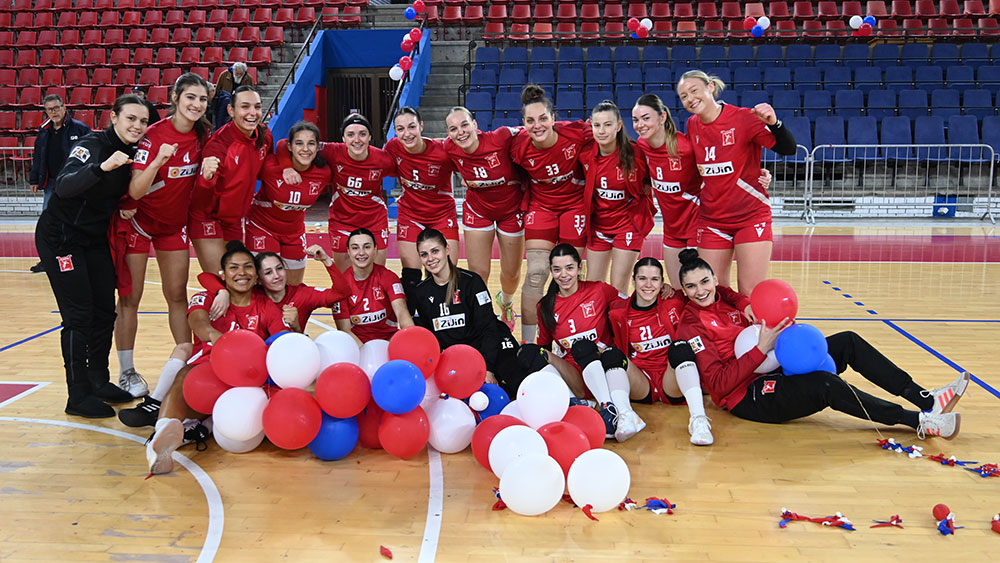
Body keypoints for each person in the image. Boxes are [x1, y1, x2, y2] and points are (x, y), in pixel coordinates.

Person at [675, 249, 968, 440]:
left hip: (777, 365)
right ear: (684, 291)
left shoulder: (726, 297)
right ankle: (919, 421)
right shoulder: (692, 325)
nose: (700, 291)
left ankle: (926, 399)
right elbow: (717, 386)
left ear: (715, 278)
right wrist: (760, 349)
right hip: (748, 396)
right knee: (826, 384)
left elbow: (731, 295)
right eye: (691, 286)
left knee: (848, 341)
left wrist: (752, 307)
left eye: (705, 281)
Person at [34, 94, 149, 418]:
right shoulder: (91, 145)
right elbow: (64, 186)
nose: (137, 126)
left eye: (143, 121)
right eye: (131, 118)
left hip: (94, 239)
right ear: (114, 117)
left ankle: (99, 380)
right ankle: (78, 394)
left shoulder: (135, 153)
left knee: (104, 311)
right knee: (79, 315)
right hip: (61, 236)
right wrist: (102, 167)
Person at [145, 241, 289, 476]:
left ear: (256, 276)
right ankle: (159, 440)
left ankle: (197, 427)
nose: (241, 272)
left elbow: (281, 341)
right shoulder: (205, 297)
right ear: (222, 275)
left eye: (248, 267)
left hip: (244, 385)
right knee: (186, 374)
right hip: (206, 378)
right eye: (234, 267)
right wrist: (216, 336)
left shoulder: (266, 306)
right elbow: (198, 322)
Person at [114, 73, 211, 400]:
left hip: (173, 226)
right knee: (130, 299)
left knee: (177, 296)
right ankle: (126, 372)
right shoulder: (154, 136)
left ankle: (184, 364)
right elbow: (135, 189)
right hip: (139, 224)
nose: (196, 104)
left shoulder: (203, 135)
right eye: (190, 97)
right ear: (175, 98)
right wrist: (158, 161)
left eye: (202, 99)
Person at [632, 93, 773, 290]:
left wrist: (754, 174)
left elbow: (719, 163)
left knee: (707, 290)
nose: (640, 124)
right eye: (635, 120)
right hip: (672, 231)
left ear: (662, 117)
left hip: (697, 226)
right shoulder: (642, 146)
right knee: (679, 292)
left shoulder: (686, 148)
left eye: (646, 118)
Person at [677, 70, 797, 295]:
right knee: (714, 291)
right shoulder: (692, 124)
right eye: (684, 96)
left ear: (710, 87)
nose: (690, 98)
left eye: (694, 91)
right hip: (712, 220)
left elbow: (788, 149)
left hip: (750, 217)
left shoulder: (744, 118)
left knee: (749, 291)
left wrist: (775, 123)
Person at [608, 258, 750, 445]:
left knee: (680, 347)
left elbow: (716, 290)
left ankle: (698, 420)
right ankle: (626, 415)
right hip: (641, 381)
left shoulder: (675, 300)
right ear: (633, 281)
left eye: (654, 279)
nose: (648, 285)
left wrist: (744, 303)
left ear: (662, 283)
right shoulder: (617, 311)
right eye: (642, 279)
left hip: (672, 379)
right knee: (611, 354)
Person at [521, 244, 645, 442]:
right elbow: (544, 347)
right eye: (557, 269)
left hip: (604, 371)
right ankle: (574, 403)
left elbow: (632, 303)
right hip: (575, 378)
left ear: (579, 268)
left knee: (582, 346)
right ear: (551, 271)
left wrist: (661, 292)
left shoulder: (599, 290)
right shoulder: (545, 306)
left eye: (569, 268)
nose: (564, 275)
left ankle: (608, 409)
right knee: (529, 352)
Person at [510, 84, 593, 344]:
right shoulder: (518, 147)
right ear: (523, 124)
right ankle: (528, 345)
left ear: (553, 118)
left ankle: (571, 337)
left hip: (575, 207)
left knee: (570, 274)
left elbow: (612, 137)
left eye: (543, 118)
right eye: (530, 121)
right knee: (536, 273)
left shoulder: (577, 133)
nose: (537, 126)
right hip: (542, 207)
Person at [407, 229, 524, 397]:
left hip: (485, 348)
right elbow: (430, 337)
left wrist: (488, 368)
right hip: (457, 357)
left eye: (435, 251)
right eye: (424, 254)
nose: (430, 258)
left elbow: (488, 328)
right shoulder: (421, 292)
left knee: (514, 383)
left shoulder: (471, 282)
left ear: (447, 249)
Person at [277, 113, 396, 271]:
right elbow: (284, 143)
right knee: (345, 277)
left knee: (376, 275)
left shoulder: (383, 159)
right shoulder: (332, 151)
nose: (357, 139)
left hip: (374, 220)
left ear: (370, 137)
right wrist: (287, 167)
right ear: (343, 138)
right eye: (351, 134)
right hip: (342, 220)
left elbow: (405, 168)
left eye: (362, 134)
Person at [442, 107, 524, 330]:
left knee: (511, 274)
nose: (460, 132)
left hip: (511, 210)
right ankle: (483, 318)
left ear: (475, 125)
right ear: (448, 133)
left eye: (464, 125)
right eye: (453, 129)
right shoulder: (449, 147)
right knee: (478, 274)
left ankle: (506, 302)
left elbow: (534, 130)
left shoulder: (500, 137)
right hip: (478, 210)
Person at [189, 85, 272, 277]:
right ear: (231, 110)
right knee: (220, 278)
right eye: (245, 107)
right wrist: (205, 179)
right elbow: (200, 200)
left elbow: (267, 169)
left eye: (257, 107)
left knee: (237, 279)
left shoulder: (265, 135)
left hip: (233, 220)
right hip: (207, 217)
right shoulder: (219, 146)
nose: (253, 113)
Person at [384, 107, 459, 296]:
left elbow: (469, 159)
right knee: (411, 277)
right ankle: (410, 315)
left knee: (445, 273)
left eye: (412, 127)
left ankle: (443, 313)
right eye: (400, 129)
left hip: (442, 215)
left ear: (421, 126)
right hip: (411, 215)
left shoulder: (442, 151)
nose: (407, 134)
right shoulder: (393, 148)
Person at [247, 121, 332, 287]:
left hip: (294, 232)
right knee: (265, 285)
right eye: (299, 143)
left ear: (318, 147)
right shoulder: (270, 166)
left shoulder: (324, 173)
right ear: (290, 147)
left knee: (293, 288)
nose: (305, 149)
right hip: (262, 227)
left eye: (311, 144)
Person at [583, 101, 655, 293]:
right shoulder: (585, 153)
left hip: (627, 225)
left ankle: (620, 314)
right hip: (599, 225)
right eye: (597, 125)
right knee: (593, 287)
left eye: (608, 125)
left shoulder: (636, 154)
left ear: (619, 126)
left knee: (618, 287)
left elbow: (651, 179)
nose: (602, 131)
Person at [29, 94, 92, 273]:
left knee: (77, 221)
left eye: (56, 108)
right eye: (49, 109)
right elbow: (38, 156)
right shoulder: (44, 131)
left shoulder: (80, 129)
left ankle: (82, 258)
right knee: (48, 223)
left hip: (74, 183)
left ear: (64, 107)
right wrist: (34, 178)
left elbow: (92, 153)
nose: (54, 112)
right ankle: (47, 260)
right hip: (51, 183)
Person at [334, 228, 414, 345]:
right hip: (356, 344)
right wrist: (366, 352)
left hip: (388, 341)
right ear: (348, 252)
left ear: (375, 250)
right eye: (355, 248)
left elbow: (402, 312)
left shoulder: (389, 277)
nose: (361, 253)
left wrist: (411, 336)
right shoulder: (340, 285)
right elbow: (345, 330)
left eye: (367, 247)